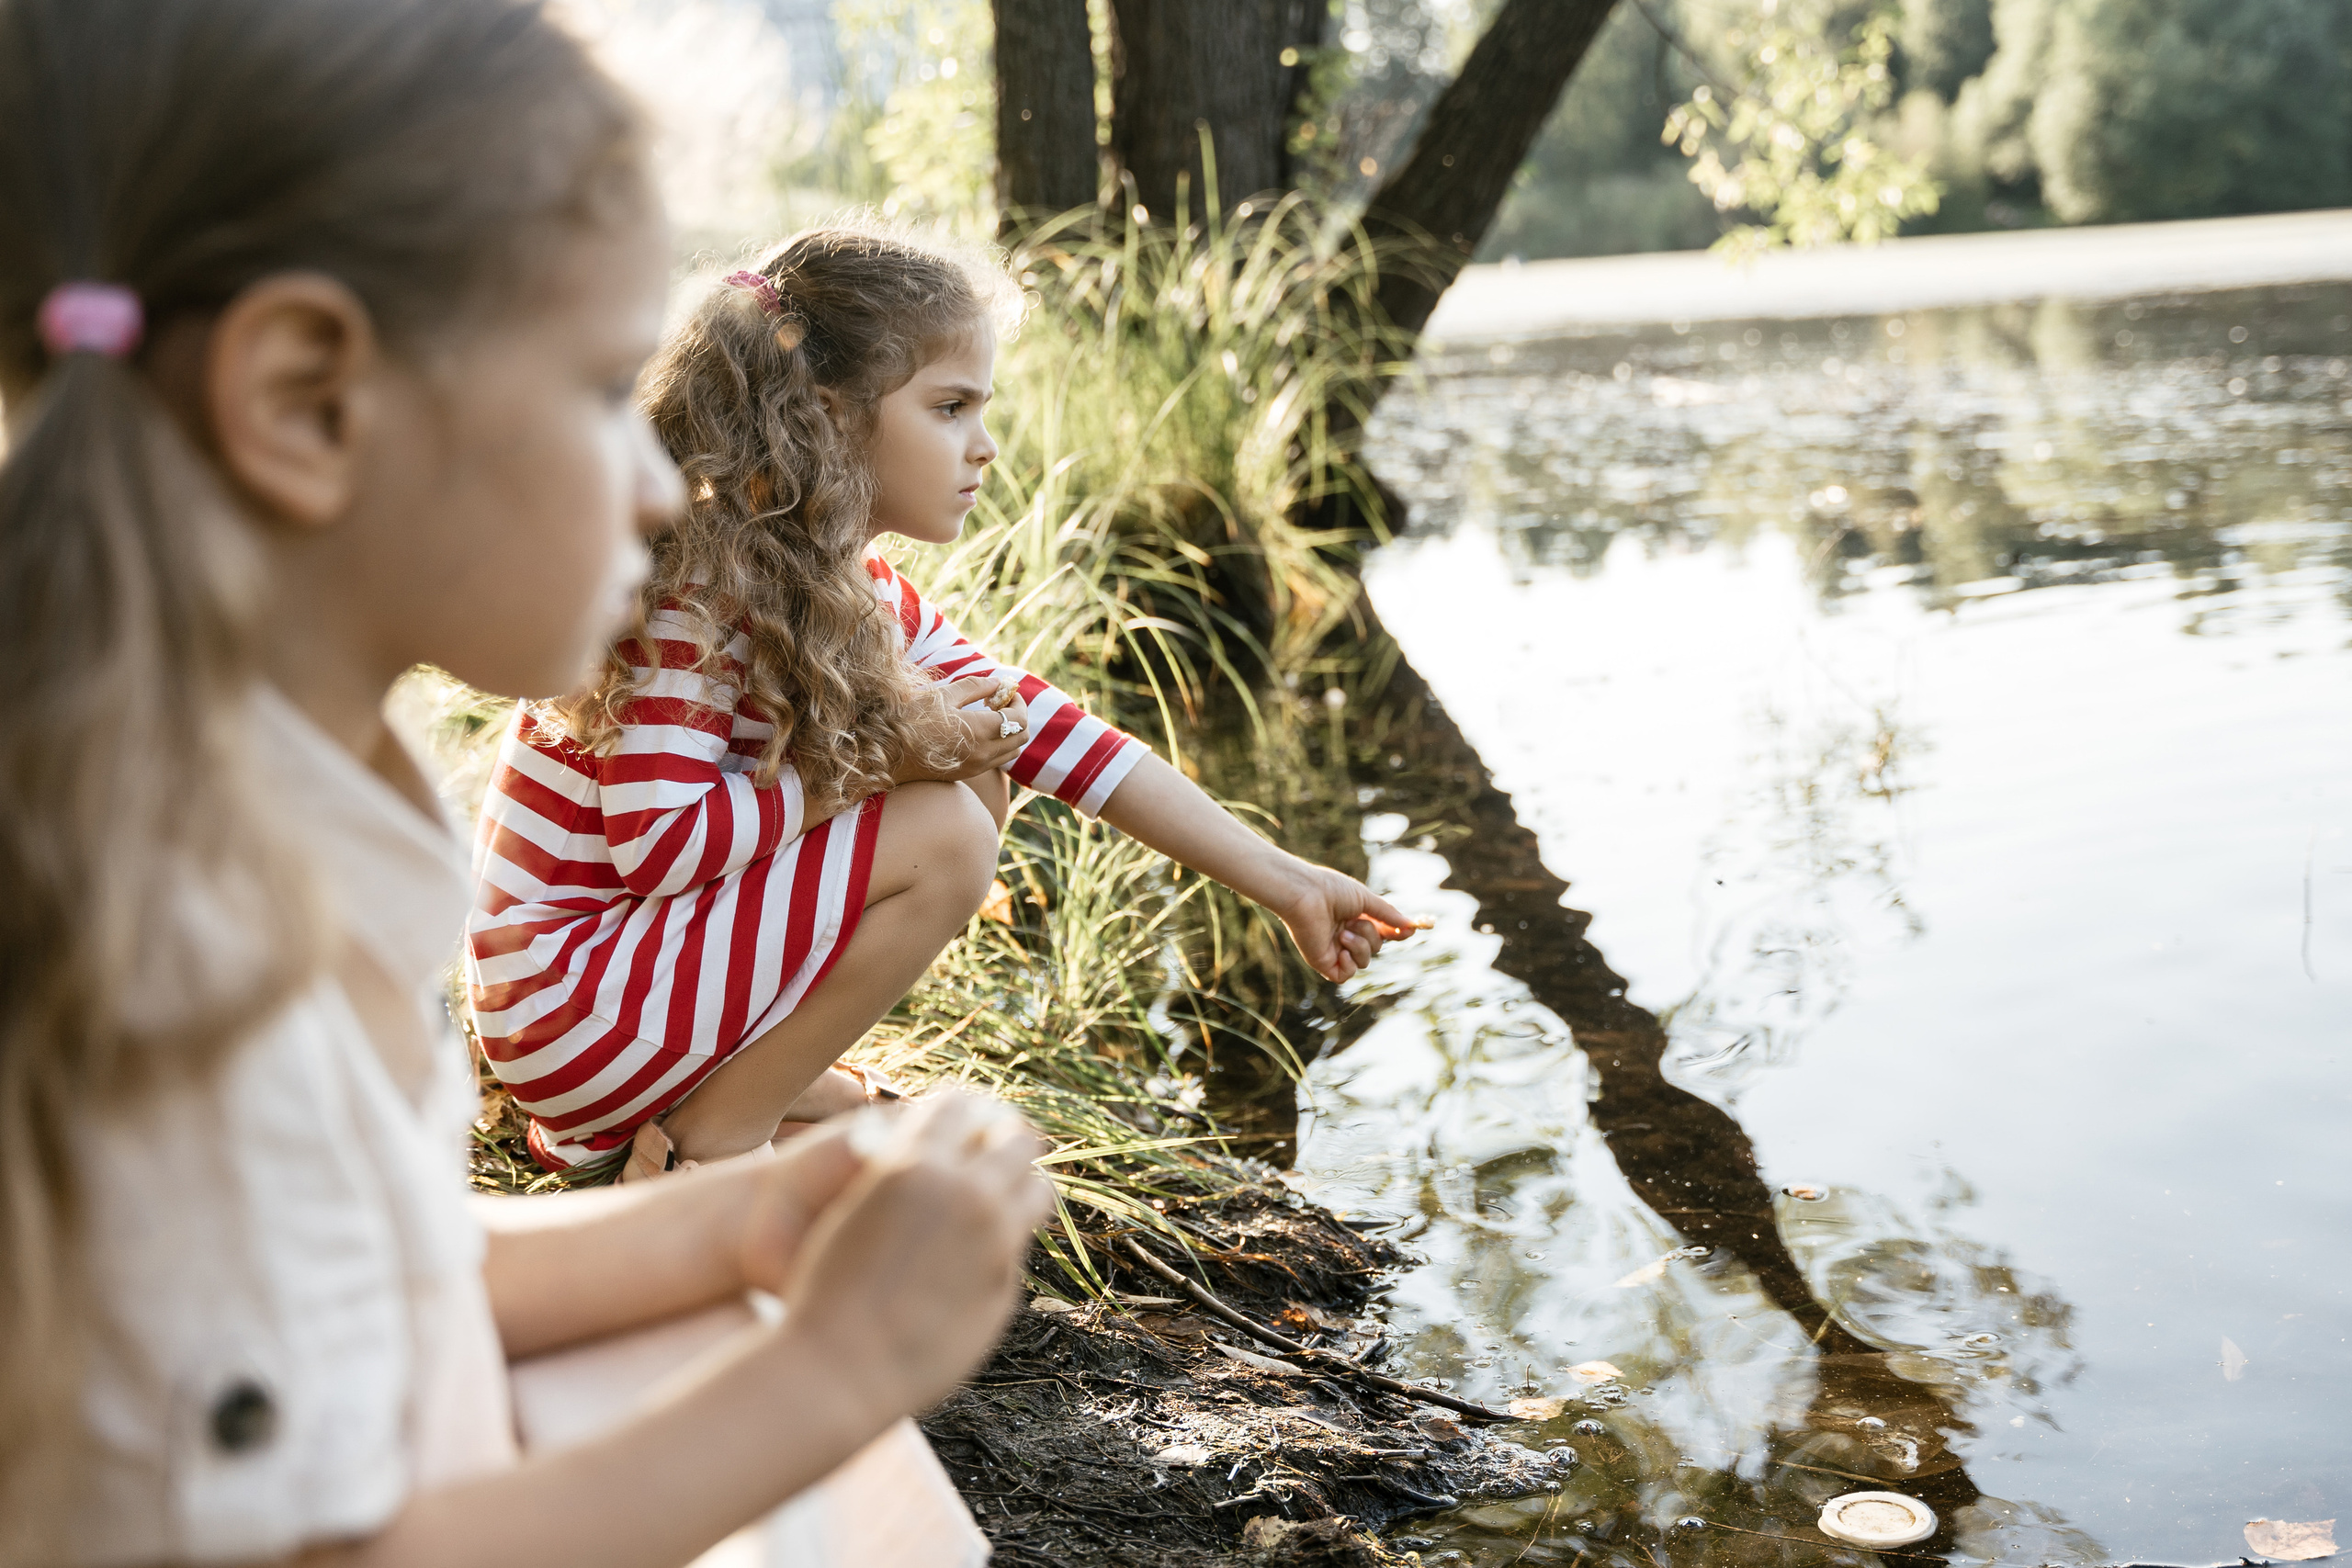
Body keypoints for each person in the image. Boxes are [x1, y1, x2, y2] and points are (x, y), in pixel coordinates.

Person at [0, 1, 1049, 1563]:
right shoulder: (167, 972)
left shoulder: (274, 803)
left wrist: (755, 1211)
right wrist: (839, 1362)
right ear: (308, 400)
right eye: (593, 386)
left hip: (409, 1430)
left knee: (743, 1383)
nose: (651, 480)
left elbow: (391, 1262)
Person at [467, 222, 1420, 1180]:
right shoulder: (701, 593)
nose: (985, 446)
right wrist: (872, 765)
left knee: (979, 743)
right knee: (942, 829)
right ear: (830, 419)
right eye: (950, 407)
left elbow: (1052, 732)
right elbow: (659, 845)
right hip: (565, 1004)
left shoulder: (850, 587)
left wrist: (1286, 881)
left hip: (607, 999)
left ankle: (745, 1100)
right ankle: (718, 1147)